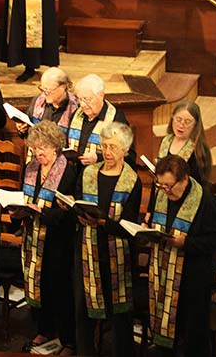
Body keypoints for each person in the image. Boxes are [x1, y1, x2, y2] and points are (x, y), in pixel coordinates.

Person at [73, 121, 141, 357]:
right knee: (84, 307)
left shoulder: (132, 180)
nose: (107, 152)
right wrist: (78, 215)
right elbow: (79, 203)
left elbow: (131, 222)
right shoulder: (89, 172)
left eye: (113, 147)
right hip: (87, 249)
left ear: (125, 149)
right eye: (104, 146)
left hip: (117, 251)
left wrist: (105, 224)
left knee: (120, 311)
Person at [148, 155, 216, 356]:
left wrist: (187, 243)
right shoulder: (163, 193)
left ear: (184, 179)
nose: (164, 191)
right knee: (167, 328)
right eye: (161, 185)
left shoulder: (204, 200)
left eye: (169, 186)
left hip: (194, 277)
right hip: (166, 271)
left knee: (193, 334)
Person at [13, 120, 77, 355]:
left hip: (58, 241)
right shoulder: (31, 168)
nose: (39, 153)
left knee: (59, 289)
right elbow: (23, 197)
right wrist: (18, 211)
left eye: (44, 148)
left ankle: (68, 339)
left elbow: (71, 211)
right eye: (35, 148)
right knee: (37, 287)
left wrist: (46, 212)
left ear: (56, 147)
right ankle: (44, 328)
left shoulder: (68, 171)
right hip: (33, 237)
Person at [67, 74, 135, 169]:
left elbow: (129, 156)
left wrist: (98, 158)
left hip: (100, 174)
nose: (82, 104)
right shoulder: (77, 115)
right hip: (74, 174)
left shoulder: (116, 119)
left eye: (87, 99)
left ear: (101, 95)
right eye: (80, 99)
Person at [155, 100, 212, 183]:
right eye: (178, 119)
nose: (181, 125)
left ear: (195, 125)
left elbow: (197, 182)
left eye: (187, 122)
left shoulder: (198, 149)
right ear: (172, 118)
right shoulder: (166, 141)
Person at [15, 66, 79, 138]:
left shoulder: (75, 108)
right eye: (42, 89)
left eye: (48, 90)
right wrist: (23, 130)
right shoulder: (38, 101)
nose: (44, 94)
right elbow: (27, 133)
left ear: (62, 87)